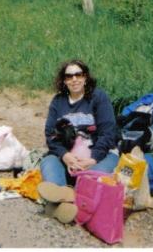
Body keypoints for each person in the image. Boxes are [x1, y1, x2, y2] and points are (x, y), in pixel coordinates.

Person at [38, 59, 119, 223]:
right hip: (69, 158)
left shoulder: (98, 97)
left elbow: (109, 133)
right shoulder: (58, 101)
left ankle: (57, 205)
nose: (74, 79)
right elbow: (50, 135)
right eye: (69, 76)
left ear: (86, 77)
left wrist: (93, 158)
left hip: (100, 155)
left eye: (78, 74)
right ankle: (64, 196)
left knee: (94, 179)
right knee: (48, 162)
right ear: (64, 80)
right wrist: (65, 155)